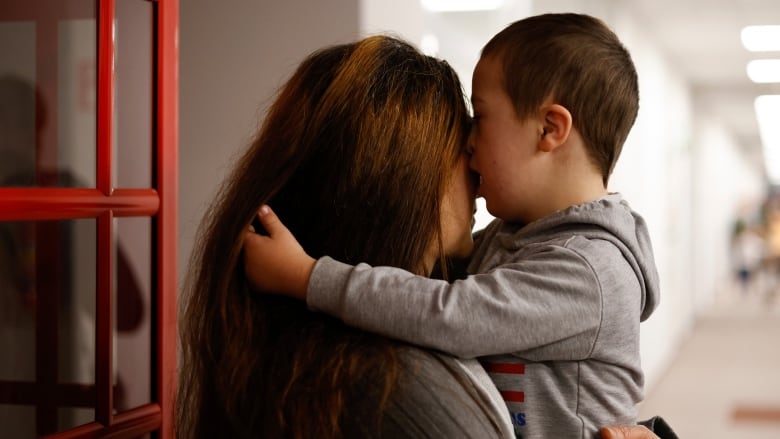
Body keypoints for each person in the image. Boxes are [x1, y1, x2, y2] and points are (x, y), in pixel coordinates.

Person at [243, 13, 670, 439]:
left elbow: (447, 313)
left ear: (549, 128)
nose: (468, 143)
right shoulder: (517, 238)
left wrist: (308, 276)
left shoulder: (589, 270)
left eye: (480, 117)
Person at [177, 34, 516, 438]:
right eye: (465, 154)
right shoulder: (391, 386)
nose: (479, 181)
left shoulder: (316, 359)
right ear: (403, 180)